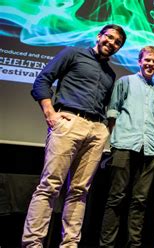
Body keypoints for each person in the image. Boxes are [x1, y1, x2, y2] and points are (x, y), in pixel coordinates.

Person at [23, 24, 126, 247]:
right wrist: (51, 114)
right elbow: (42, 80)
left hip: (96, 130)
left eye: (117, 42)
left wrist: (105, 130)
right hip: (69, 122)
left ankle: (70, 244)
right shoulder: (72, 53)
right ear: (99, 36)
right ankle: (33, 243)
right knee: (50, 185)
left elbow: (107, 105)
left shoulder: (110, 74)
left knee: (80, 192)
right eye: (109, 37)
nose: (112, 43)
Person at [99, 46, 154, 248]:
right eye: (148, 60)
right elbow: (113, 111)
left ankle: (133, 245)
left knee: (141, 201)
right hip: (124, 145)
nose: (151, 64)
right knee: (116, 197)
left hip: (150, 149)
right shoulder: (125, 82)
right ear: (139, 61)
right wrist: (115, 140)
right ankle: (107, 245)